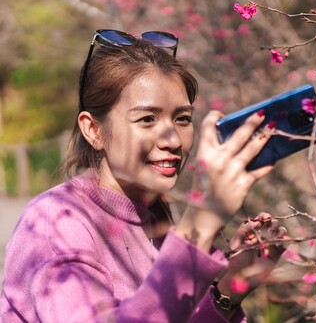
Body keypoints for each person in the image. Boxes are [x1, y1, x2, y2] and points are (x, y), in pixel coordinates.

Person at [0, 29, 285, 322]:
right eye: (147, 119)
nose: (173, 140)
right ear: (94, 130)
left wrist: (230, 290)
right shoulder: (56, 223)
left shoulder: (153, 219)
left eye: (182, 119)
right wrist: (203, 218)